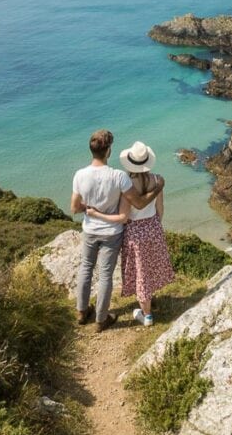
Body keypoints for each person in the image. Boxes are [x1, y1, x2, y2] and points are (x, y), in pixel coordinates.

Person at [71, 128, 164, 331]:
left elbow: (74, 207)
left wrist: (89, 209)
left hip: (89, 230)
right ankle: (100, 319)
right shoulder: (119, 177)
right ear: (109, 151)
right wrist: (158, 187)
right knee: (105, 275)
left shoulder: (80, 175)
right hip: (112, 232)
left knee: (86, 268)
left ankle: (81, 311)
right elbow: (138, 203)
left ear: (91, 150)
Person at [118, 141, 175, 327]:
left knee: (140, 271)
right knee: (150, 265)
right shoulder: (157, 180)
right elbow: (160, 208)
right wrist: (155, 224)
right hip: (153, 226)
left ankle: (147, 315)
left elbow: (125, 215)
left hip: (135, 231)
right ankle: (150, 298)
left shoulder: (126, 184)